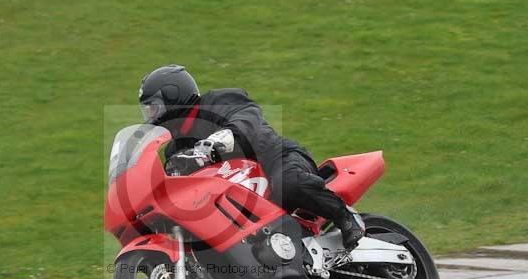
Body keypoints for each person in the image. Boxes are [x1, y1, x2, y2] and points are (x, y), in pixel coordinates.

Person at [139, 64, 364, 249]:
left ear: (174, 97)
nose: (151, 116)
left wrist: (216, 143)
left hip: (275, 158)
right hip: (235, 193)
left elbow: (247, 119)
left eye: (154, 107)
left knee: (288, 184)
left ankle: (345, 217)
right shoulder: (175, 149)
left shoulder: (218, 102)